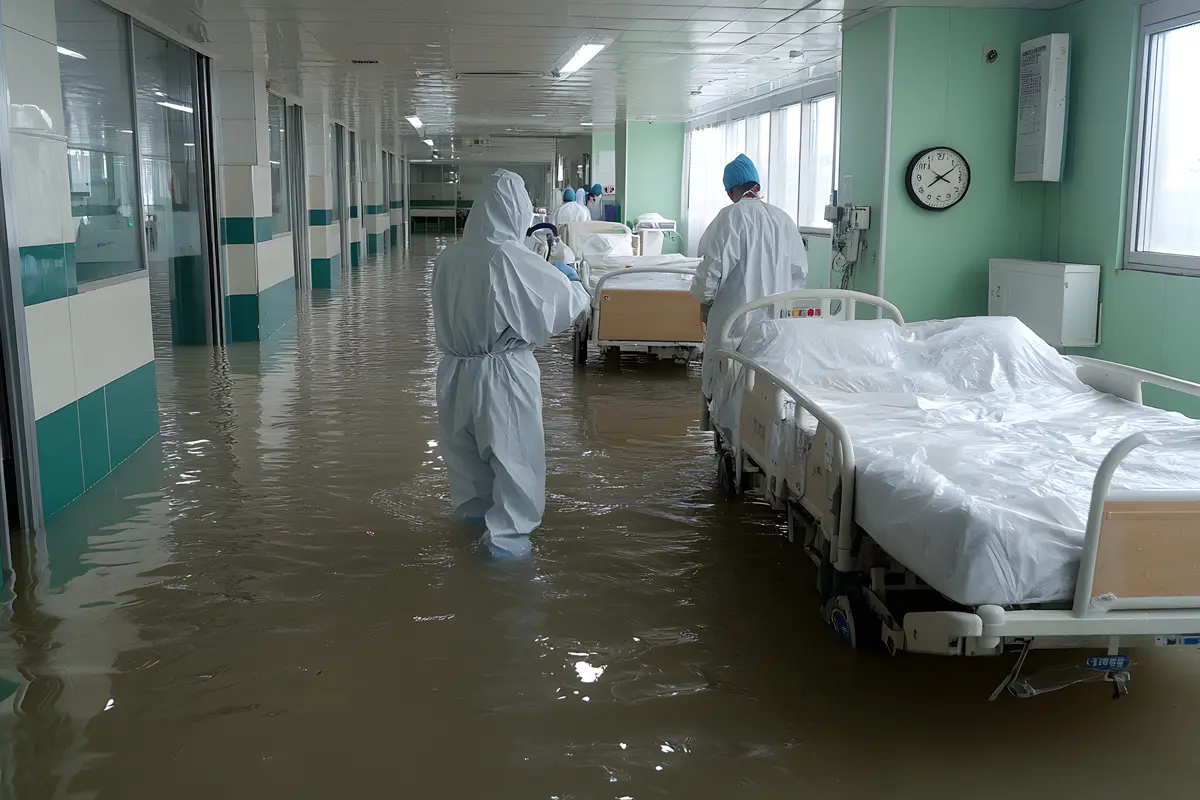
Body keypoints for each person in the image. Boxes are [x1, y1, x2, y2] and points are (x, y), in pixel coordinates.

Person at [432, 169, 589, 557]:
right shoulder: (508, 256)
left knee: (469, 474)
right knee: (515, 467)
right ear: (518, 212)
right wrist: (570, 281)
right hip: (500, 378)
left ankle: (464, 553)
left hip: (454, 375)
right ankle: (506, 582)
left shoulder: (448, 257)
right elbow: (559, 309)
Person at [690, 154, 808, 399]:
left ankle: (726, 428)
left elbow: (713, 266)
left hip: (736, 317)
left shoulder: (731, 217)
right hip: (777, 321)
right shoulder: (783, 219)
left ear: (731, 189)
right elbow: (799, 272)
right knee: (771, 379)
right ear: (757, 185)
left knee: (729, 380)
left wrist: (705, 299)